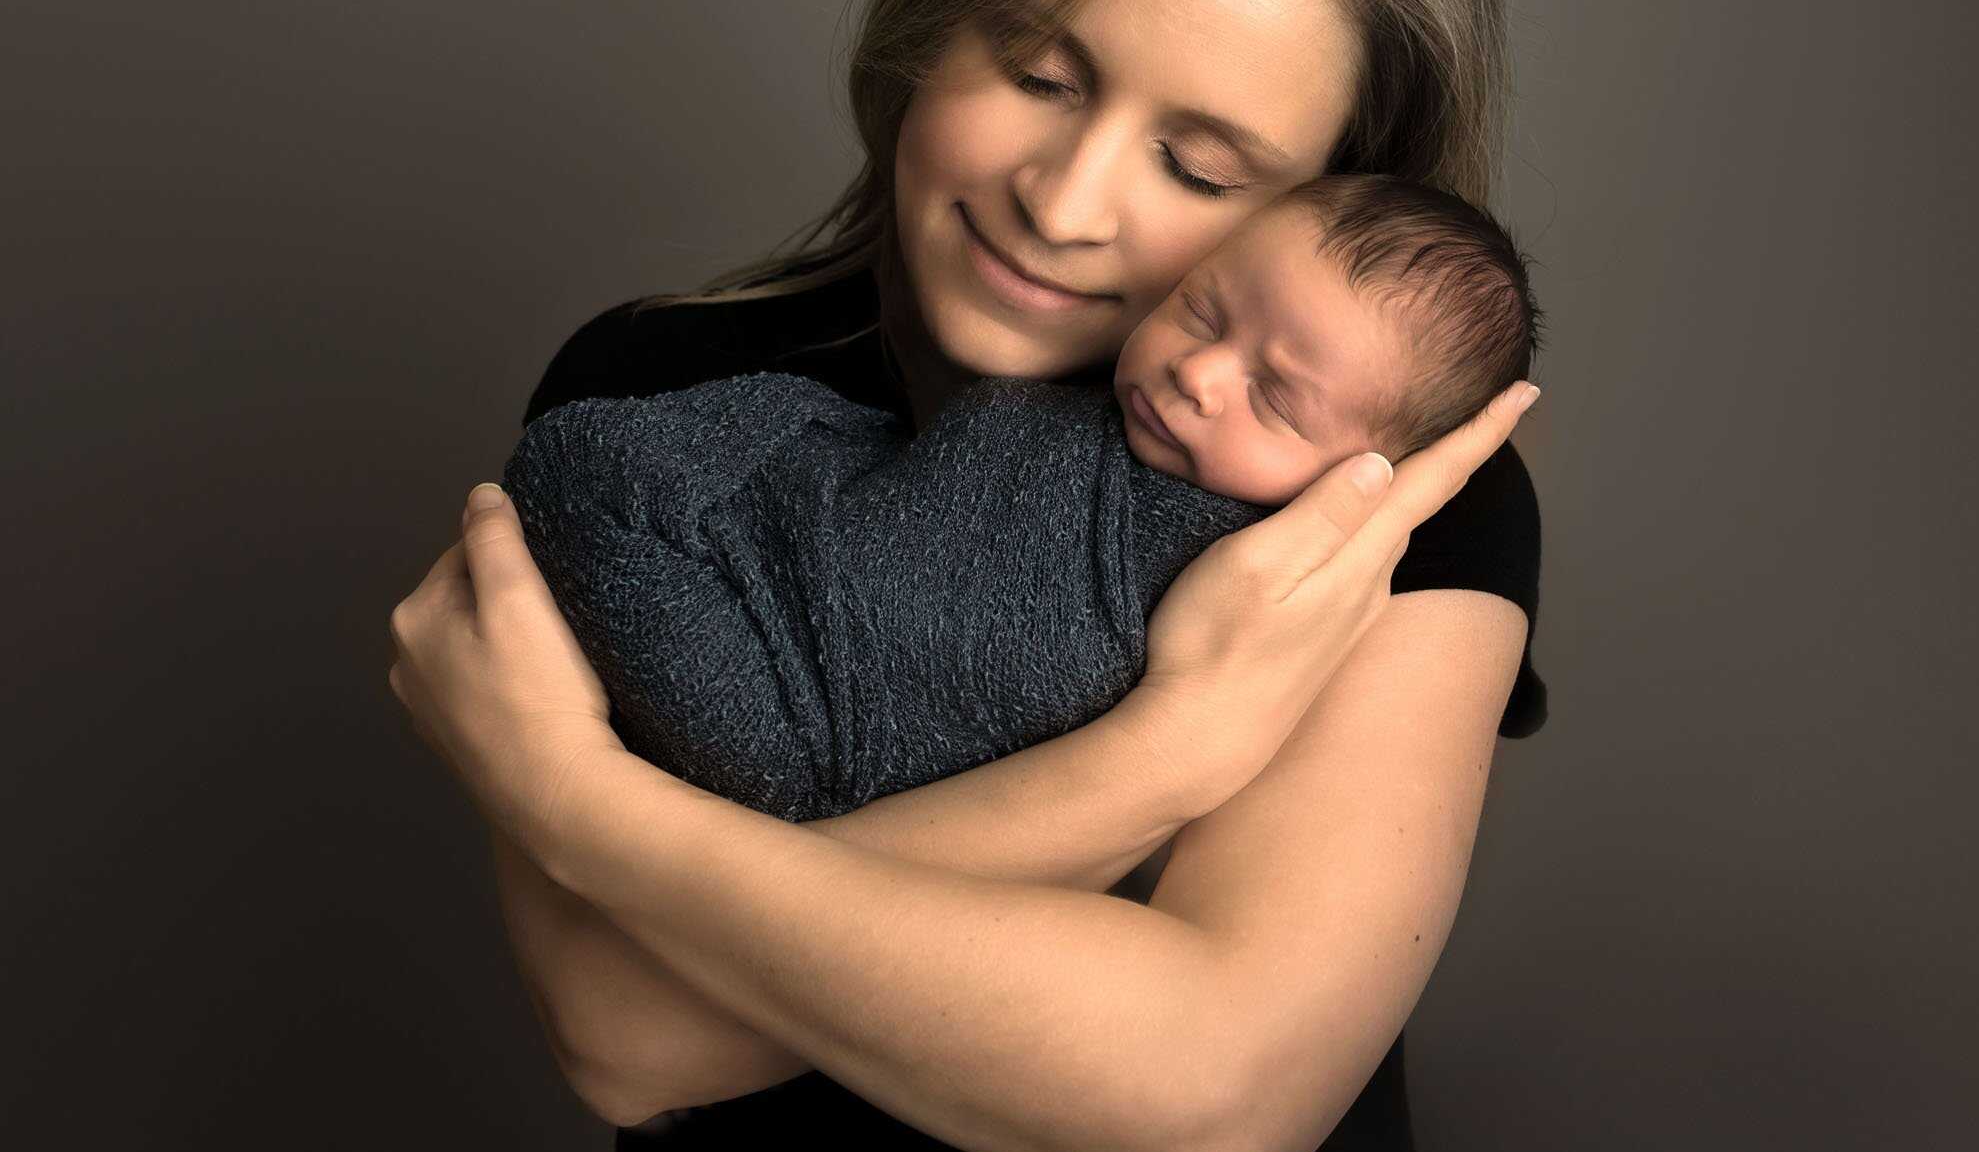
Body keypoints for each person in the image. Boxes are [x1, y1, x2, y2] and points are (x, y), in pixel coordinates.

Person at [387, 0, 1549, 1152]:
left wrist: (584, 810)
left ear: (1337, 201)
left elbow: (1208, 1100)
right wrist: (1162, 756)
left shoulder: (1361, 501)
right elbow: (628, 1036)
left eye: (1198, 163)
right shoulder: (657, 407)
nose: (1062, 202)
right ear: (933, 18)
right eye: (1036, 71)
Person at [499, 174, 1541, 825]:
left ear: (1368, 476)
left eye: (1274, 398)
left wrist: (565, 777)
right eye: (1201, 309)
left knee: (581, 467)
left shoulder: (1272, 570)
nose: (1197, 373)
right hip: (795, 588)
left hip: (806, 732)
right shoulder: (1092, 401)